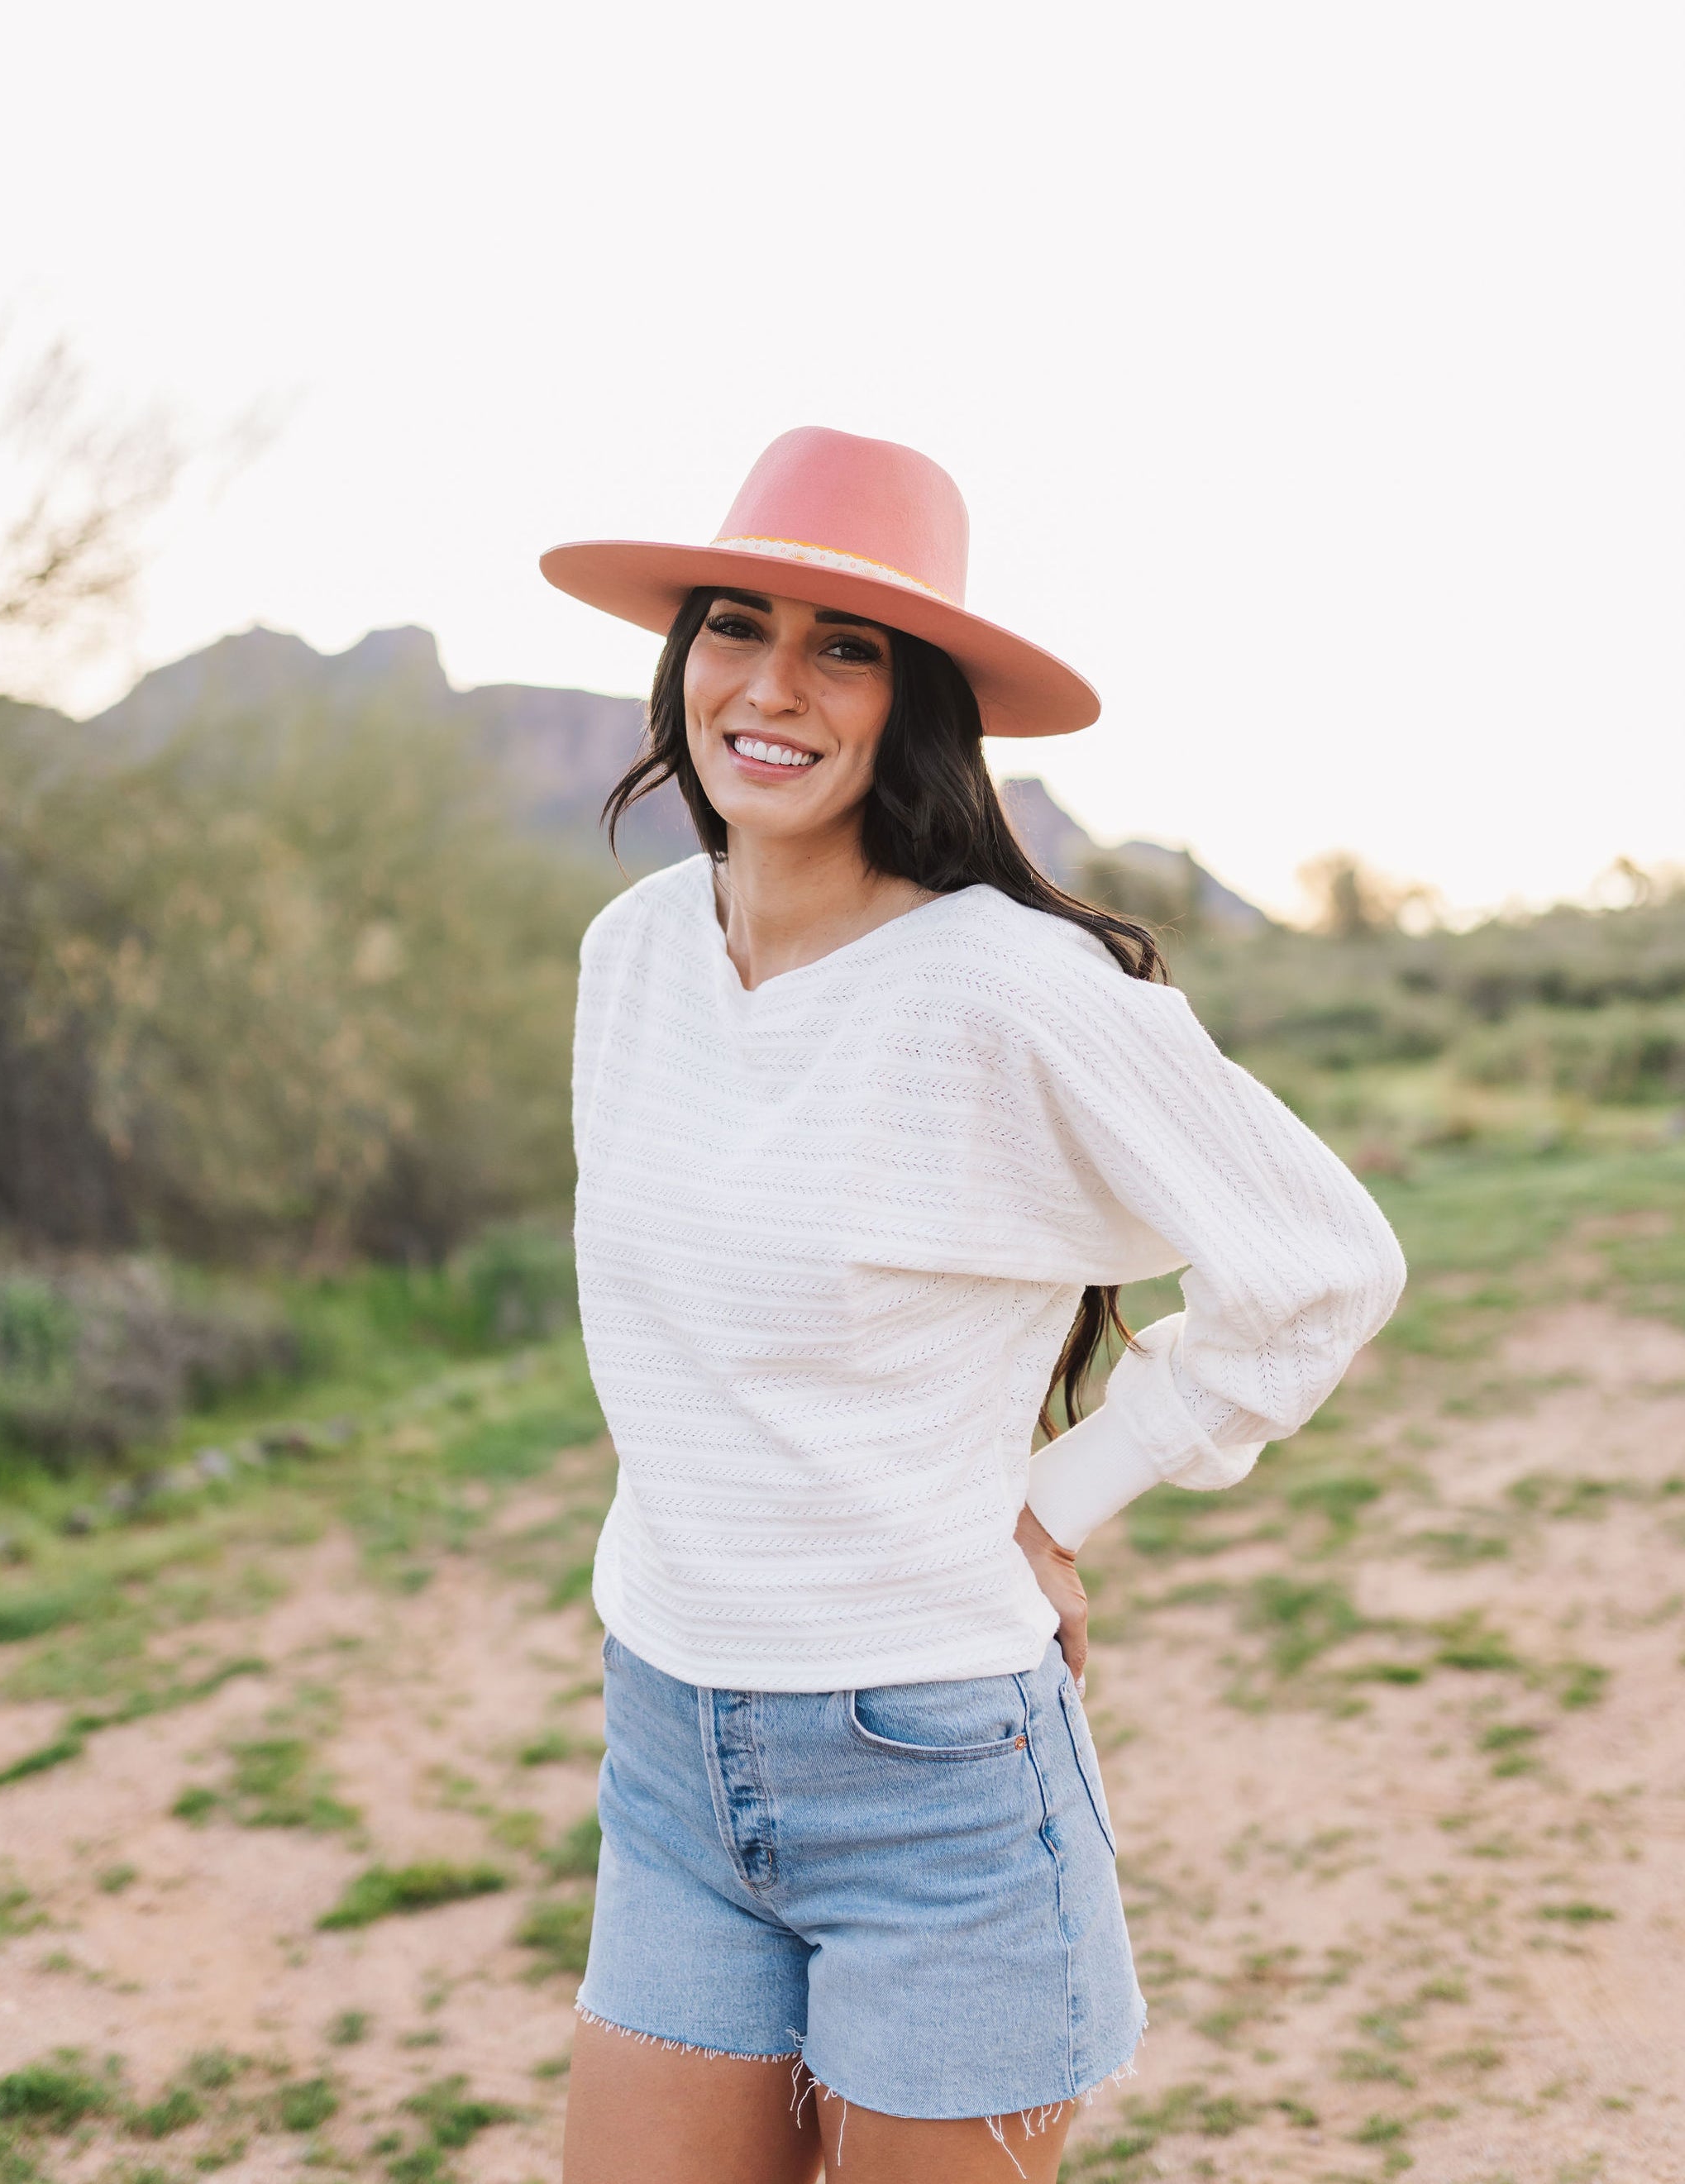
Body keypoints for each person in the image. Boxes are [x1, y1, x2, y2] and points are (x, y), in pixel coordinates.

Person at [540, 427, 1405, 2184]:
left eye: (843, 645)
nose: (770, 686)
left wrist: (1058, 1496)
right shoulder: (631, 952)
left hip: (925, 1769)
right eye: (734, 623)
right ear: (678, 658)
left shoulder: (1013, 987)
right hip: (668, 1751)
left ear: (913, 698)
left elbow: (1320, 1267)